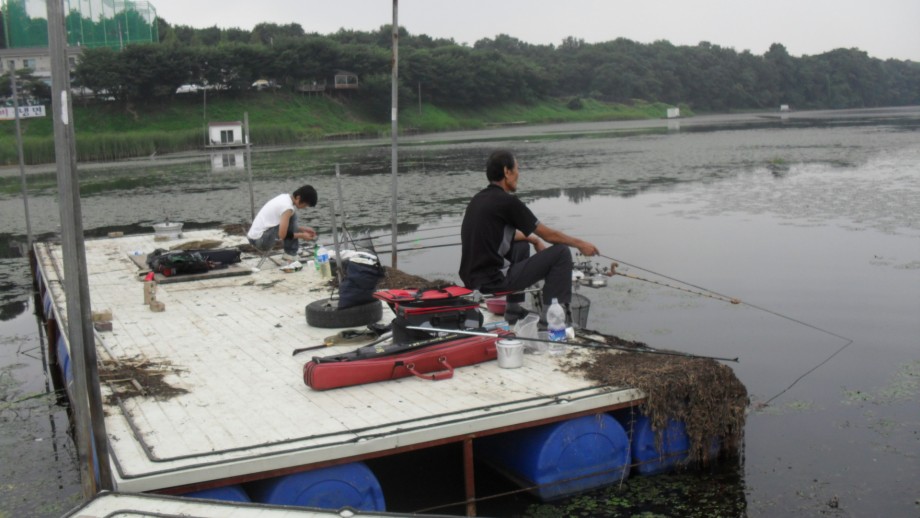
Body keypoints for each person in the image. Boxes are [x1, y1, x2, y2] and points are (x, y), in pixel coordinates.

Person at [459, 150, 599, 323]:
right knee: (561, 253)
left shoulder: (478, 199)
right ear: (507, 171)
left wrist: (532, 239)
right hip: (493, 281)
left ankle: (513, 309)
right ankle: (551, 321)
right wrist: (580, 244)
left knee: (521, 245)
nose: (518, 174)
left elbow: (497, 236)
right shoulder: (508, 202)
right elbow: (548, 235)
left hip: (472, 280)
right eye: (517, 169)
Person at [247, 185, 318, 261]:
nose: (305, 207)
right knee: (292, 215)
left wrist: (302, 229)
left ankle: (290, 253)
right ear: (298, 198)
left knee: (291, 215)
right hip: (261, 241)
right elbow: (282, 235)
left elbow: (285, 227)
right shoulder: (287, 208)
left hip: (253, 238)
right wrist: (302, 235)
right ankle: (290, 254)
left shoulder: (284, 197)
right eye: (306, 204)